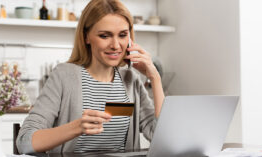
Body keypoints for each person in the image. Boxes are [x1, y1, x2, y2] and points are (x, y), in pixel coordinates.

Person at [17, 0, 164, 154]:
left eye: (122, 35)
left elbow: (159, 136)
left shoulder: (130, 79)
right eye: (104, 36)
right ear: (86, 37)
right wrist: (76, 127)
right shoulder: (64, 76)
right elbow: (25, 141)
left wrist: (154, 77)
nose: (115, 45)